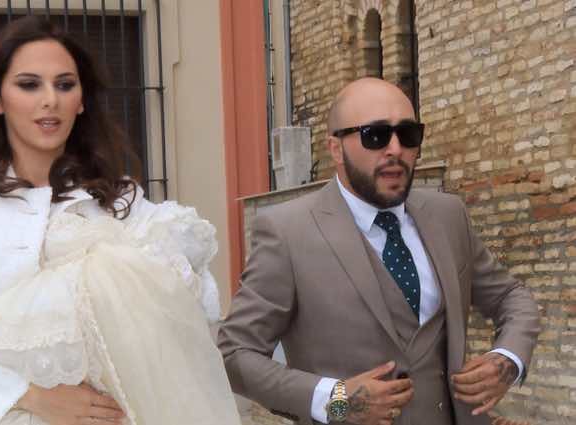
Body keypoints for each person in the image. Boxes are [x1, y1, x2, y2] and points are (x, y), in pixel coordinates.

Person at [0, 16, 240, 425]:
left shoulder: (121, 201)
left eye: (65, 84)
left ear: (81, 101)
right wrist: (30, 396)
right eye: (29, 84)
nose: (49, 99)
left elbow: (184, 312)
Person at [217, 78, 540, 425]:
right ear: (336, 148)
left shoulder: (448, 215)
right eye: (376, 135)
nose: (395, 149)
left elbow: (510, 295)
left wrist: (508, 359)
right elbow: (235, 354)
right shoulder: (287, 232)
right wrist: (335, 401)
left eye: (408, 135)